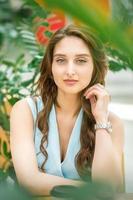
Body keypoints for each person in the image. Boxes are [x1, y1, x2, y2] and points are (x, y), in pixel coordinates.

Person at [10, 24, 124, 196]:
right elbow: (29, 181)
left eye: (81, 61)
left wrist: (101, 122)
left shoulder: (111, 122)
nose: (70, 71)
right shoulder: (25, 111)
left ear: (95, 67)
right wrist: (91, 189)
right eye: (61, 60)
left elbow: (110, 190)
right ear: (51, 67)